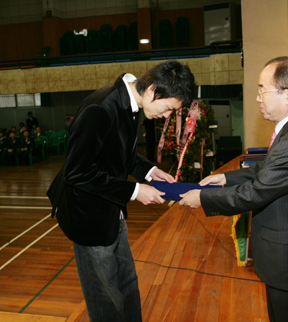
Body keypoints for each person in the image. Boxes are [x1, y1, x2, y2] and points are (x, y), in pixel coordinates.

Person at [180, 57, 288, 322]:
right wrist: (226, 179)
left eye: (263, 89)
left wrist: (203, 198)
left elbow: (256, 192)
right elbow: (267, 172)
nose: (258, 98)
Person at [47, 60, 196, 321]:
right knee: (105, 297)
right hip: (89, 218)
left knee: (127, 283)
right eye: (169, 108)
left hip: (112, 210)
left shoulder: (134, 103)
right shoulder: (100, 109)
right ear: (152, 90)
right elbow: (76, 173)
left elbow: (119, 154)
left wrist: (149, 172)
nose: (167, 116)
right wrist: (136, 191)